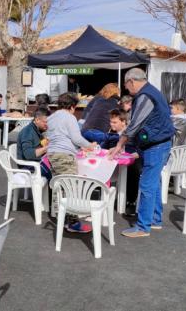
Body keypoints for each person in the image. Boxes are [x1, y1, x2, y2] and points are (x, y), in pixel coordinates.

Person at [109, 68, 175, 238]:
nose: (126, 89)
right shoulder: (154, 91)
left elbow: (134, 124)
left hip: (156, 145)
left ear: (131, 81)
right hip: (160, 142)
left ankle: (142, 227)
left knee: (146, 185)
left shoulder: (145, 95)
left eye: (126, 85)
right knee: (154, 184)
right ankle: (154, 220)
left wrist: (119, 144)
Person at [47, 92, 96, 233]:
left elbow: (52, 136)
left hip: (52, 154)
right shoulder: (70, 117)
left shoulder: (51, 117)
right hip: (65, 155)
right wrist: (89, 145)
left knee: (59, 187)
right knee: (71, 189)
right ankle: (72, 222)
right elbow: (76, 138)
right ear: (73, 106)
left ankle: (60, 218)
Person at [101, 109, 141, 216]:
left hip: (134, 159)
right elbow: (106, 147)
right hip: (118, 161)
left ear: (123, 122)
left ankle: (131, 201)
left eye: (114, 122)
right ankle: (104, 197)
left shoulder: (132, 132)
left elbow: (140, 150)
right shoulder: (112, 133)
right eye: (110, 121)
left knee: (133, 168)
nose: (111, 124)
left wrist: (132, 155)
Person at [16, 107, 52, 180]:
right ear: (37, 120)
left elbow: (38, 145)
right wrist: (47, 148)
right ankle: (53, 191)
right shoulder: (27, 132)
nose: (48, 125)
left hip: (35, 162)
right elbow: (28, 154)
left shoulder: (37, 130)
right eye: (46, 122)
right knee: (53, 173)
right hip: (27, 166)